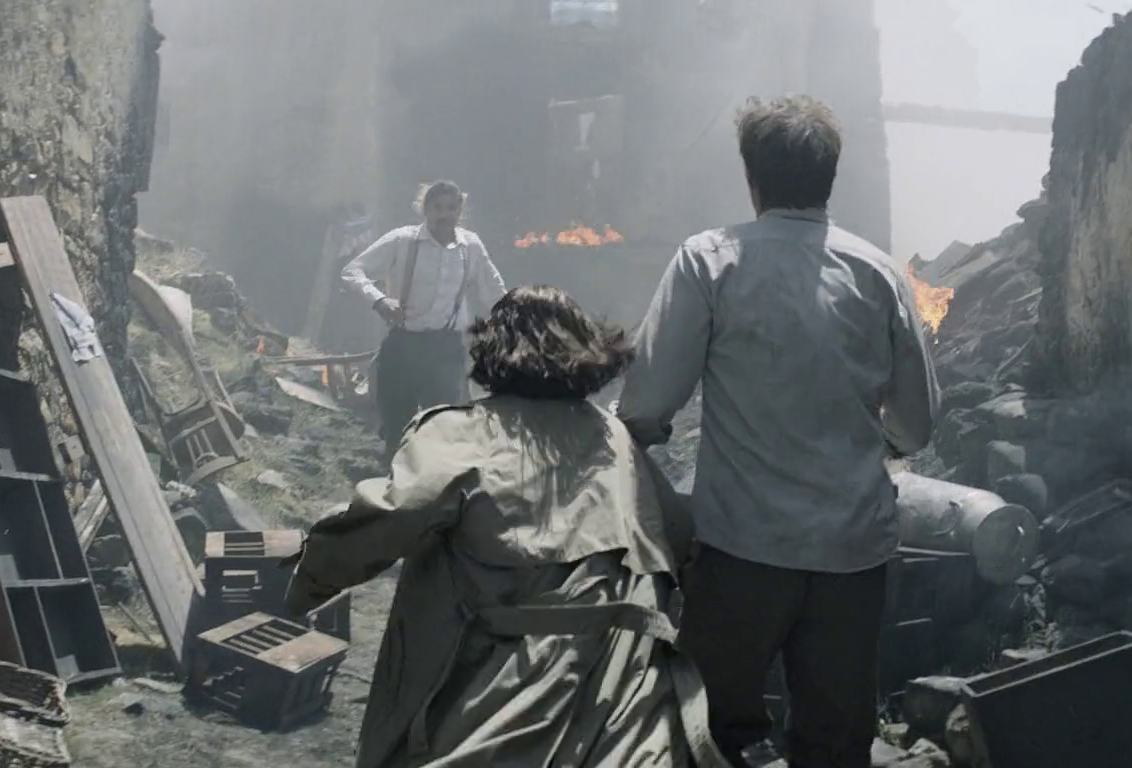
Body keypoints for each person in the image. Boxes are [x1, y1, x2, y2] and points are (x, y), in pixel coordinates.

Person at [615, 95, 939, 768]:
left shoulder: (710, 261)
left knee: (707, 733)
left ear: (751, 177)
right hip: (852, 554)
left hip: (742, 548)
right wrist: (874, 445)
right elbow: (915, 425)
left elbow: (645, 406)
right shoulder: (878, 272)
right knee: (835, 740)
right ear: (830, 177)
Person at [284, 285, 731, 768]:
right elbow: (677, 538)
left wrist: (300, 587)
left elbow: (385, 519)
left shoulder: (460, 432)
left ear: (492, 349)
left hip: (509, 688)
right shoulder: (617, 439)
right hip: (626, 700)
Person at [340, 180, 508, 458]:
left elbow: (494, 291)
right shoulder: (403, 240)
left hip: (446, 348)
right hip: (405, 342)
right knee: (397, 424)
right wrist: (380, 301)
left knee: (440, 425)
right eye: (438, 207)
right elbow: (352, 272)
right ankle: (392, 472)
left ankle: (431, 478)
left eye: (451, 208)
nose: (444, 215)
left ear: (460, 211)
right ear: (425, 209)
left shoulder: (470, 246)